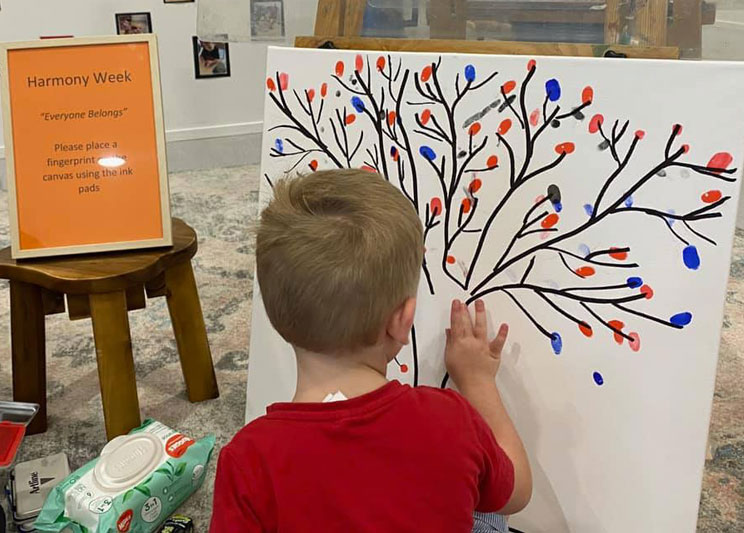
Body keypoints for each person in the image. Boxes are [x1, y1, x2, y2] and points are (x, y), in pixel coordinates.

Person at [210, 169, 532, 532]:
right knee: (488, 509)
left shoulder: (248, 460)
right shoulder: (451, 421)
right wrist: (477, 382)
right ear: (402, 320)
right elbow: (517, 493)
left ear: (274, 314)